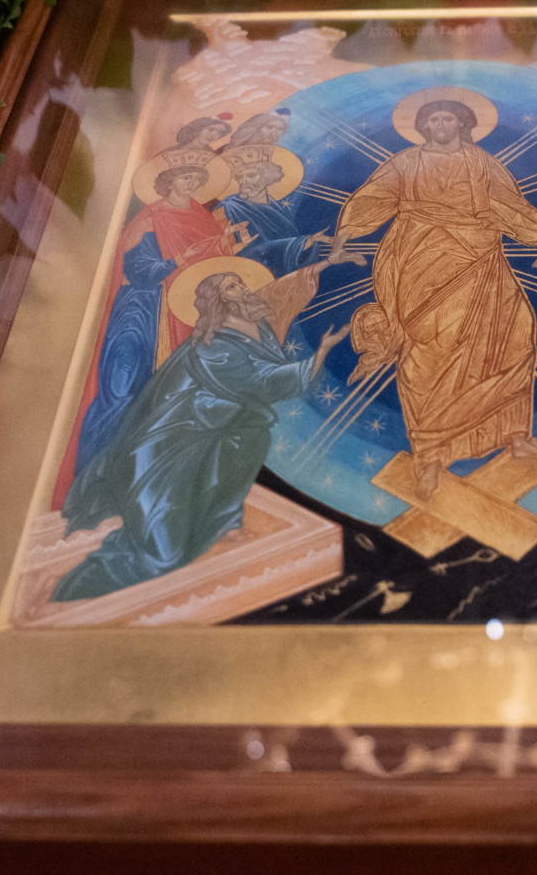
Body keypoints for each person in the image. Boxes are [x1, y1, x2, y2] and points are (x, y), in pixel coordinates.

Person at [55, 255, 357, 600]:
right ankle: (91, 581)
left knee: (249, 439)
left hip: (222, 429)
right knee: (163, 552)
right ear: (219, 300)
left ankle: (220, 520)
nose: (244, 288)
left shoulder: (255, 327)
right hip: (173, 444)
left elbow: (282, 294)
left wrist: (327, 263)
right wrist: (321, 353)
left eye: (240, 282)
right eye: (233, 286)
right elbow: (259, 381)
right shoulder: (213, 345)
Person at [336, 97, 537, 497]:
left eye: (448, 118)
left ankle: (514, 434)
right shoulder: (405, 163)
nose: (441, 124)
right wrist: (343, 237)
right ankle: (429, 454)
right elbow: (371, 198)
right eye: (434, 119)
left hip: (483, 260)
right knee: (430, 353)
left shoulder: (481, 162)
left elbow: (509, 204)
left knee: (514, 336)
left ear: (462, 124)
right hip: (421, 259)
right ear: (423, 127)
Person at [61, 162, 231, 492]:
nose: (192, 182)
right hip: (139, 311)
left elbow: (215, 267)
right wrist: (180, 259)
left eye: (197, 178)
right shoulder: (148, 220)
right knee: (121, 388)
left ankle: (146, 481)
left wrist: (222, 246)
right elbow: (138, 271)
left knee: (170, 398)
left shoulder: (203, 219)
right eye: (185, 176)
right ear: (168, 181)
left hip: (182, 316)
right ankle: (92, 479)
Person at [220, 154, 329, 276]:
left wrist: (306, 244)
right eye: (240, 177)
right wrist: (304, 242)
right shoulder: (227, 208)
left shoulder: (276, 208)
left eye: (251, 175)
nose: (244, 182)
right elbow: (226, 255)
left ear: (267, 177)